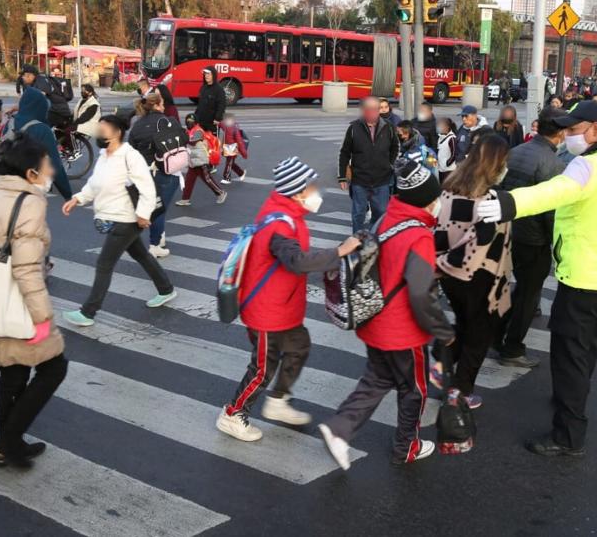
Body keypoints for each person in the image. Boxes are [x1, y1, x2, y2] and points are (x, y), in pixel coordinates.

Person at [482, 101, 597, 456]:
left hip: (583, 276)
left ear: (595, 129)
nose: (567, 137)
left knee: (569, 353)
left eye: (573, 131)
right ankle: (571, 396)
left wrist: (507, 203)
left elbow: (552, 192)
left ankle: (568, 435)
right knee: (585, 346)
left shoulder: (587, 165)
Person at [320, 160, 454, 470]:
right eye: (436, 198)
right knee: (414, 389)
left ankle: (340, 428)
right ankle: (407, 445)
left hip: (373, 321)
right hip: (402, 331)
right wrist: (443, 331)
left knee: (377, 379)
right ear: (427, 200)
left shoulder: (385, 219)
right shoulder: (419, 236)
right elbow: (420, 293)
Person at [218, 158, 361, 441]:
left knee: (299, 346)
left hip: (283, 308)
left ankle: (278, 401)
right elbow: (296, 260)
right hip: (267, 312)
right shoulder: (280, 226)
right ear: (296, 192)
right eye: (311, 188)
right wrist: (339, 252)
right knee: (262, 368)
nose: (316, 192)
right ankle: (233, 413)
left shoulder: (288, 215)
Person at [0, 136, 68, 468]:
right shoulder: (29, 203)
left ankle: (9, 444)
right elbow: (27, 268)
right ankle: (7, 441)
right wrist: (43, 318)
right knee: (54, 367)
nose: (51, 171)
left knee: (12, 374)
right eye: (46, 166)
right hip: (19, 302)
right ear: (31, 172)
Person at [62, 115, 176, 327]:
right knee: (141, 255)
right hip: (112, 217)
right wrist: (77, 198)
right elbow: (94, 183)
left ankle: (88, 312)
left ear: (116, 133)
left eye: (103, 128)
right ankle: (166, 288)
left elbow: (147, 188)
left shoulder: (130, 156)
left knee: (104, 264)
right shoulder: (104, 155)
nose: (99, 132)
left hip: (126, 218)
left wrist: (143, 214)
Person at [434, 135, 514, 408]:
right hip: (479, 276)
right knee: (479, 335)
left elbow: (439, 232)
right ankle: (461, 391)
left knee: (464, 324)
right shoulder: (492, 201)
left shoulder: (448, 188)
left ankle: (443, 363)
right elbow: (484, 246)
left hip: (448, 272)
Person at [497, 107, 568, 368]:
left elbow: (499, 188)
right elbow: (551, 211)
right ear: (560, 132)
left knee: (514, 289)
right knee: (529, 295)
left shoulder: (516, 152)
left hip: (508, 229)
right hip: (534, 238)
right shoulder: (554, 164)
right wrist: (556, 244)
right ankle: (512, 348)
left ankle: (497, 336)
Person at [128, 90, 188, 258]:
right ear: (156, 105)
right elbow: (184, 139)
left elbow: (132, 149)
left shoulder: (137, 125)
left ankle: (159, 239)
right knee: (159, 209)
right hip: (165, 171)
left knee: (153, 207)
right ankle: (155, 244)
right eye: (162, 104)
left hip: (144, 173)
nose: (164, 107)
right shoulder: (166, 121)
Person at [338, 96, 399, 232]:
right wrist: (342, 176)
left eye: (374, 109)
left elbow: (395, 147)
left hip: (381, 180)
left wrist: (390, 164)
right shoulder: (354, 128)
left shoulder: (388, 127)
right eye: (368, 109)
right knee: (358, 213)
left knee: (381, 212)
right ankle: (357, 242)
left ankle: (374, 239)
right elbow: (344, 153)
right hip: (360, 180)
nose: (371, 112)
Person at [12, 87, 73, 202]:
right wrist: (67, 194)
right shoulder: (41, 129)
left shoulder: (14, 122)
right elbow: (55, 165)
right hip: (29, 190)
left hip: (8, 186)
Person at [177, 113, 228, 206]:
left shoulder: (198, 130)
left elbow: (193, 142)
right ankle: (185, 199)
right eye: (188, 121)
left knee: (207, 179)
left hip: (201, 159)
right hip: (193, 160)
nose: (189, 123)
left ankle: (221, 192)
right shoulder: (189, 130)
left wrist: (182, 137)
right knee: (189, 180)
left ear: (195, 122)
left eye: (191, 121)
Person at [194, 67, 226, 133]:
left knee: (211, 142)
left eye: (208, 74)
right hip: (201, 121)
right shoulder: (203, 87)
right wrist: (195, 116)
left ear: (213, 75)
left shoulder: (219, 89)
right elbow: (200, 104)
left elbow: (221, 105)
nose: (206, 76)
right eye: (205, 74)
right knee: (201, 141)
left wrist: (217, 118)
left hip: (212, 123)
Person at [219, 113, 248, 184]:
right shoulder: (226, 125)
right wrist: (218, 123)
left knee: (229, 163)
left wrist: (244, 153)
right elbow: (221, 124)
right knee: (231, 163)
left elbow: (239, 141)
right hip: (227, 147)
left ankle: (227, 178)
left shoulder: (234, 128)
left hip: (232, 147)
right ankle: (241, 173)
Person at [436, 117, 458, 183]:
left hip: (449, 171)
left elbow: (454, 153)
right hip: (441, 169)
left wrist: (447, 163)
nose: (438, 127)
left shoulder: (452, 138)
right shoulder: (440, 137)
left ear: (447, 127)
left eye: (440, 125)